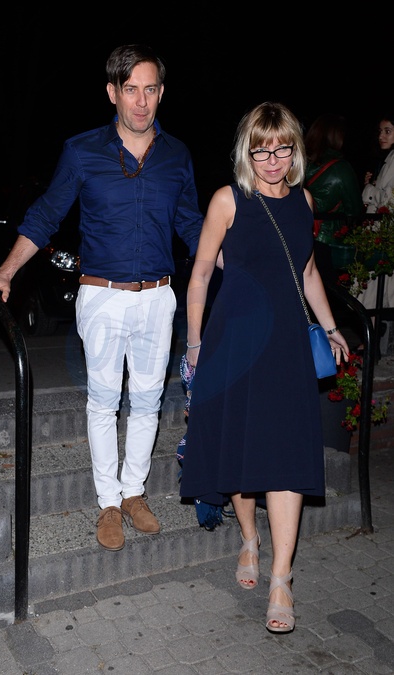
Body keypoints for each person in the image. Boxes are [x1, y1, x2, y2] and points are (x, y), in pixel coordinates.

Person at [0, 44, 205, 552]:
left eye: (150, 89)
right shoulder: (82, 151)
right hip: (102, 297)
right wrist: (6, 270)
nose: (141, 101)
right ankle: (108, 502)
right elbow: (46, 214)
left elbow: (192, 225)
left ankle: (134, 493)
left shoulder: (177, 155)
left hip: (158, 298)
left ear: (161, 93)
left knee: (147, 401)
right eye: (131, 89)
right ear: (112, 92)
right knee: (103, 401)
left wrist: (234, 261)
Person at [179, 102, 349, 634]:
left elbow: (308, 271)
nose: (272, 161)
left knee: (287, 454)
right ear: (246, 152)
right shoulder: (228, 200)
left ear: (295, 149)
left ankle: (281, 579)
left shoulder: (303, 201)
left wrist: (331, 326)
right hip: (234, 343)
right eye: (261, 151)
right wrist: (194, 344)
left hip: (286, 348)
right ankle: (249, 539)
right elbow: (200, 274)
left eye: (282, 150)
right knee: (241, 447)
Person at [304, 113, 364, 283]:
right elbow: (355, 211)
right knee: (327, 289)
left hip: (301, 235)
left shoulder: (298, 162)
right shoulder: (341, 168)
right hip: (327, 241)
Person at [358, 113, 394, 313]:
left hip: (384, 234)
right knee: (373, 290)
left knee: (376, 291)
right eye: (380, 131)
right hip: (378, 234)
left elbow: (389, 200)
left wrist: (369, 190)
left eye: (388, 131)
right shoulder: (388, 159)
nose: (382, 136)